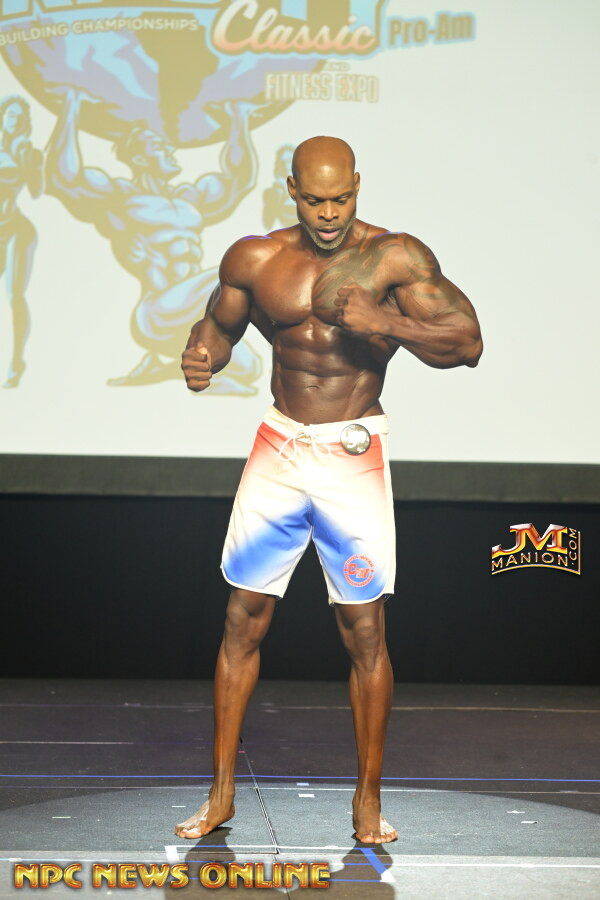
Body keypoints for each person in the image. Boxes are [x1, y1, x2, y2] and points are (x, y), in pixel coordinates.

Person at [177, 136, 483, 844]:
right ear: (292, 190)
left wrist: (386, 323)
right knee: (241, 619)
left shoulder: (395, 258)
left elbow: (467, 343)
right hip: (281, 445)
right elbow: (218, 326)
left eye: (340, 198)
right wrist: (203, 355)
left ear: (357, 186)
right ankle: (221, 794)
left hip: (352, 451)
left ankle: (367, 801)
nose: (328, 213)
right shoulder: (256, 258)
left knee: (364, 629)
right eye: (315, 199)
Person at [0, 96, 42, 388]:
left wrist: (31, 164)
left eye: (19, 117)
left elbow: (36, 191)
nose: (15, 121)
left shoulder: (25, 151)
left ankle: (17, 360)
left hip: (15, 228)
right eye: (10, 115)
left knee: (14, 295)